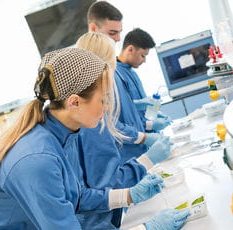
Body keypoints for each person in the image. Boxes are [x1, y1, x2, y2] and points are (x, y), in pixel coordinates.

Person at [0, 48, 188, 229]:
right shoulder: (37, 158)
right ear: (74, 102)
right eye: (103, 100)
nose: (109, 107)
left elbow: (78, 197)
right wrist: (146, 229)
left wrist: (128, 195)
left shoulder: (65, 134)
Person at [75, 32, 176, 229]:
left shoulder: (91, 112)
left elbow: (115, 124)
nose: (106, 108)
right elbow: (100, 187)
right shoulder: (88, 123)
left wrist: (147, 131)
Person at [116, 28, 172, 161]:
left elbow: (138, 114)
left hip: (144, 143)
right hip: (132, 150)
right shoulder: (116, 75)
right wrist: (151, 125)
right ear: (130, 49)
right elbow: (123, 118)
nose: (144, 60)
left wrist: (152, 118)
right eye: (143, 55)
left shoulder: (131, 73)